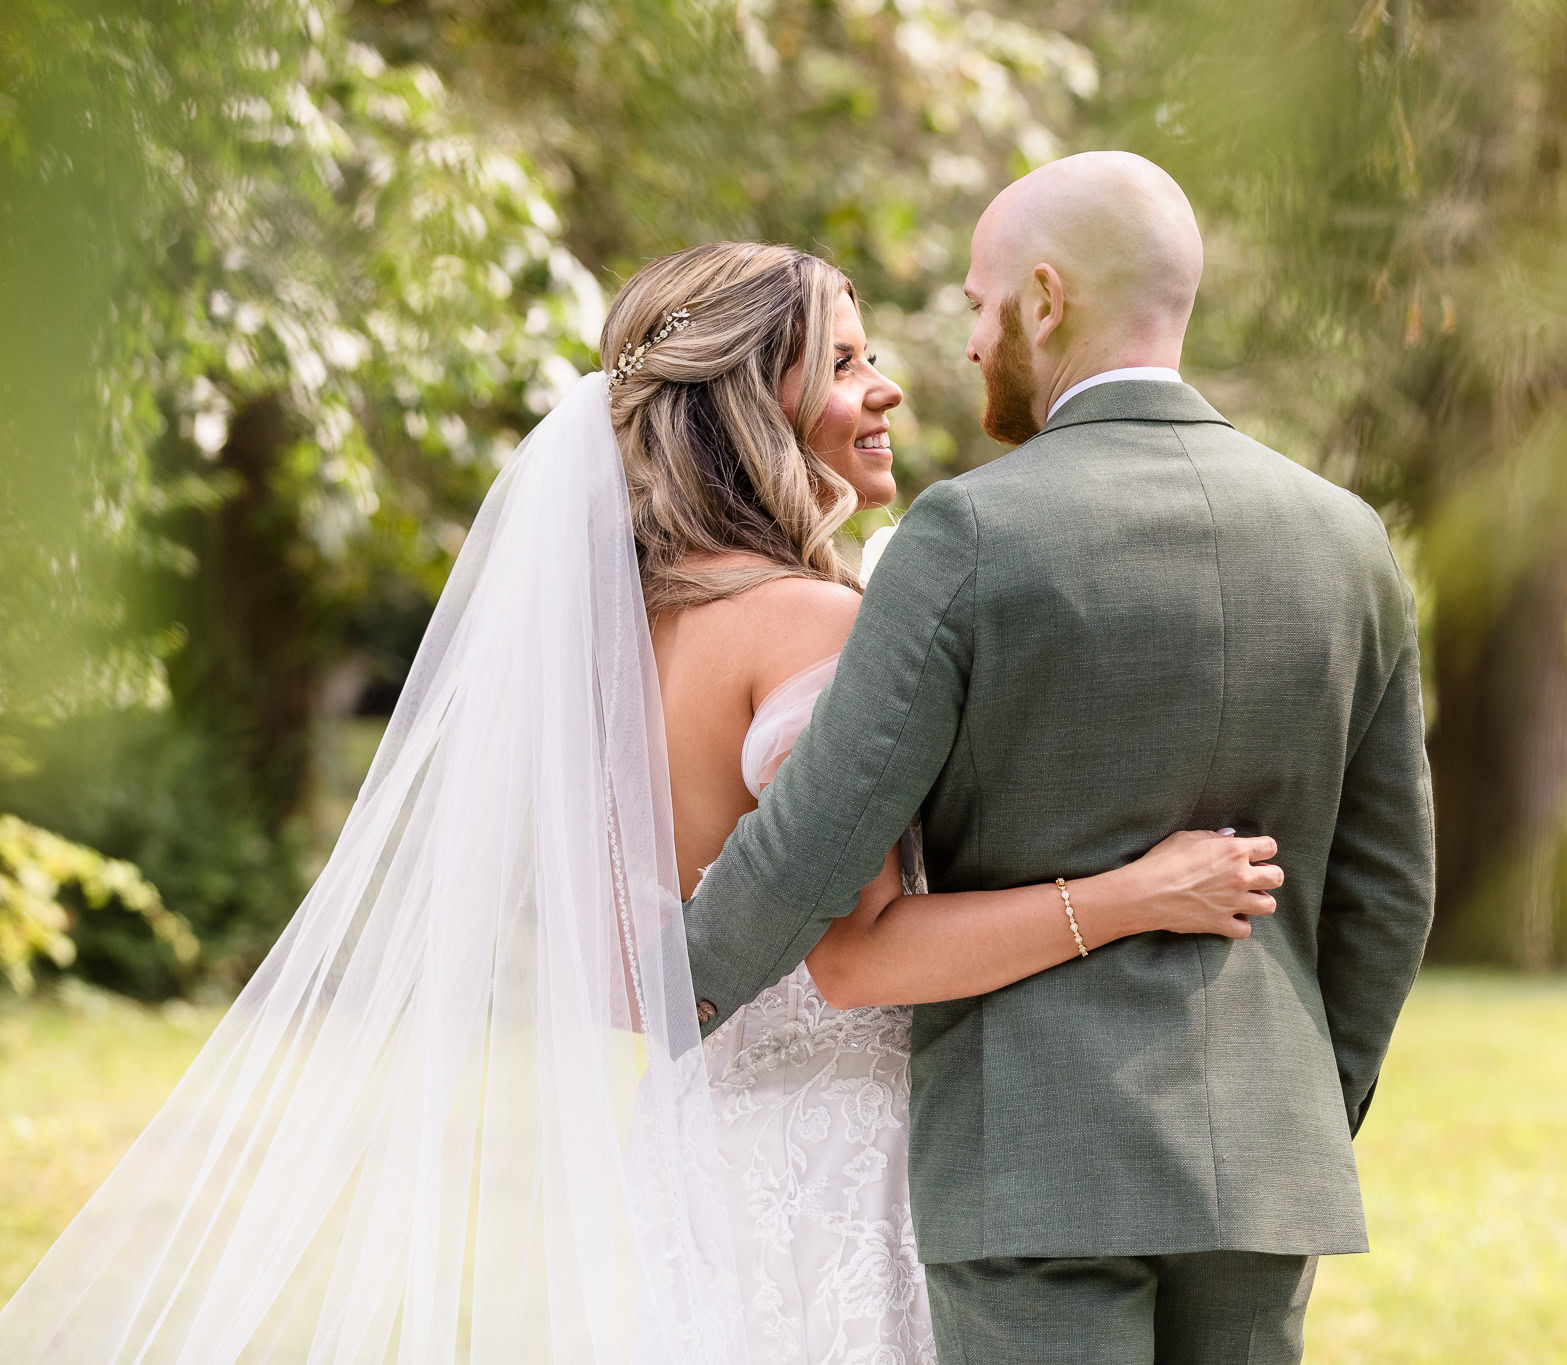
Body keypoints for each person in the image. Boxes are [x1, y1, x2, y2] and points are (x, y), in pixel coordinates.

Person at [0, 236, 1278, 1364]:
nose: (884, 387)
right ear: (751, 404)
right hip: (849, 1152)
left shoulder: (622, 640)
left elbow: (632, 968)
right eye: (842, 363)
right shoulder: (815, 627)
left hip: (691, 1145)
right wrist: (1135, 892)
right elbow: (861, 958)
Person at [679, 153, 1437, 1365]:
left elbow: (820, 831)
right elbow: (1387, 891)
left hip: (1029, 1163)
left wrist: (680, 986)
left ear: (1042, 301)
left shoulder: (971, 533)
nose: (972, 345)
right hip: (1261, 1168)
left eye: (981, 307)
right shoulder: (1346, 542)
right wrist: (1299, 1105)